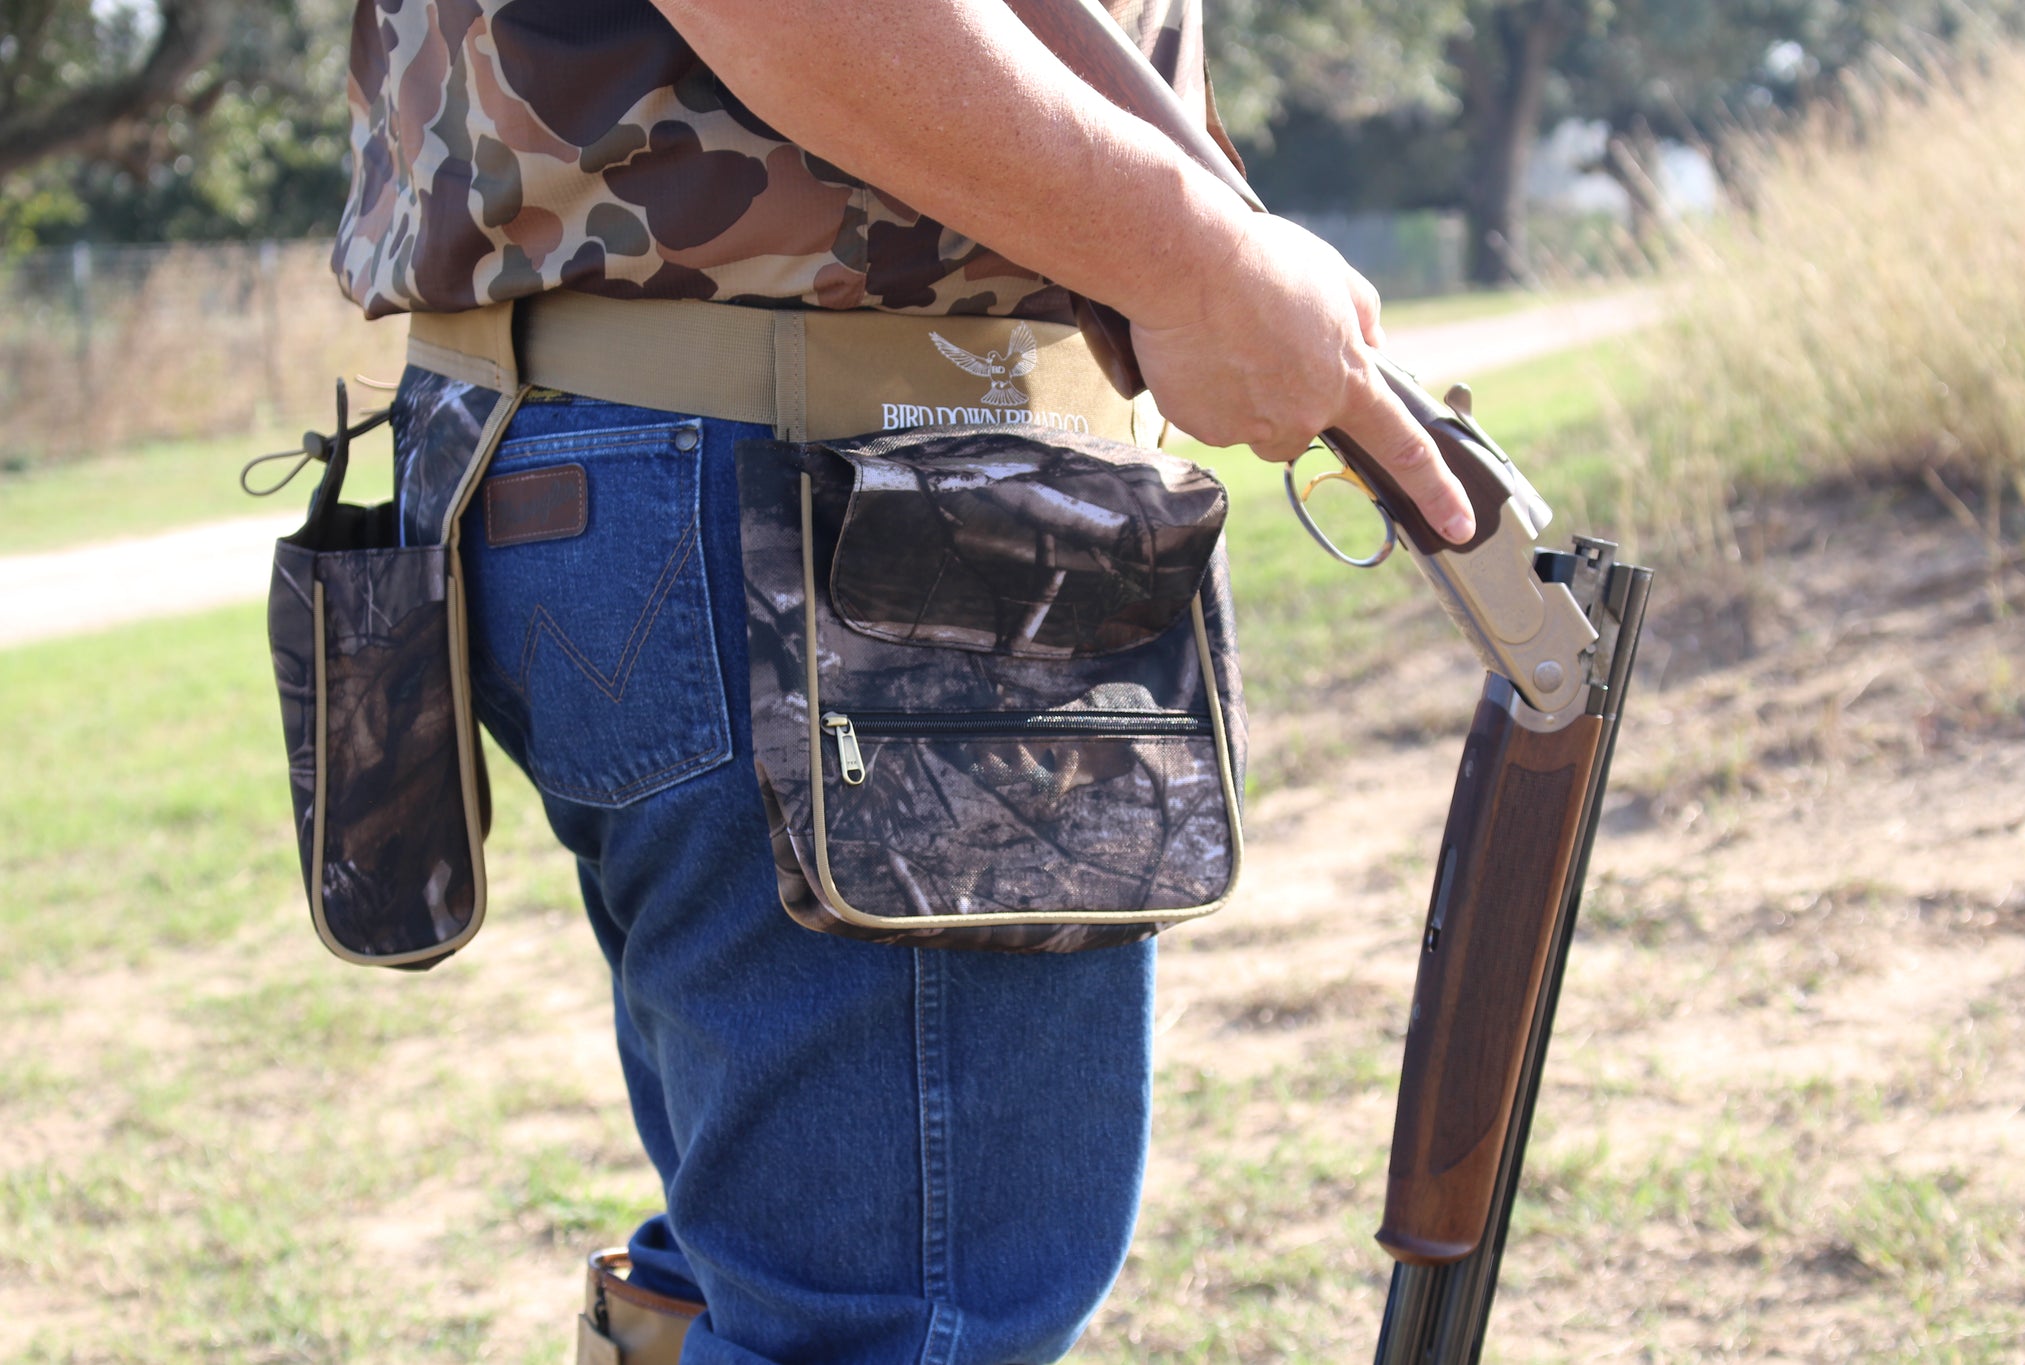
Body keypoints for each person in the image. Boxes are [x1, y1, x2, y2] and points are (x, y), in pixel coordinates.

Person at [333, 2, 1474, 1362]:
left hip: (667, 452)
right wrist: (1193, 258)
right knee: (900, 1322)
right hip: (840, 490)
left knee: (784, 1271)